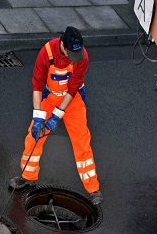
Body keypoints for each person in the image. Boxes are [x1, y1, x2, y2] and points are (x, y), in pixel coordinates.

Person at [9, 26, 102, 205]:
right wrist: (38, 117)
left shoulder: (82, 56)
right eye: (70, 53)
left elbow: (74, 87)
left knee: (81, 141)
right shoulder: (47, 53)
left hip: (72, 100)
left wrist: (57, 115)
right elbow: (37, 85)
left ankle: (93, 189)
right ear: (62, 45)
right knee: (34, 136)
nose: (73, 58)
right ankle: (28, 176)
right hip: (49, 97)